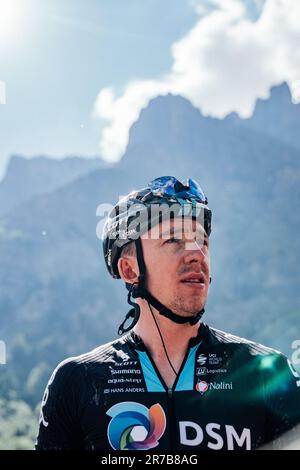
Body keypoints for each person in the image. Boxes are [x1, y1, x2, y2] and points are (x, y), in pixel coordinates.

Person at [36, 175, 300, 450]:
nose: (197, 254)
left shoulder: (265, 373)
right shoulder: (77, 382)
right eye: (173, 239)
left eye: (202, 241)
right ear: (129, 270)